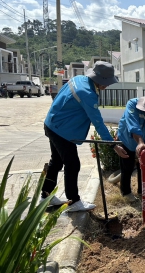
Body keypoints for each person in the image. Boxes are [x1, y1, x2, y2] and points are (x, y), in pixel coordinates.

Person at [41, 61, 127, 212]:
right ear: (99, 80)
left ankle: (45, 196)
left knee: (56, 162)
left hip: (52, 123)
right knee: (72, 164)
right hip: (61, 130)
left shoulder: (78, 79)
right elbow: (98, 122)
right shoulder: (87, 94)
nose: (107, 86)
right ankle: (74, 201)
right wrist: (113, 145)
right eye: (106, 83)